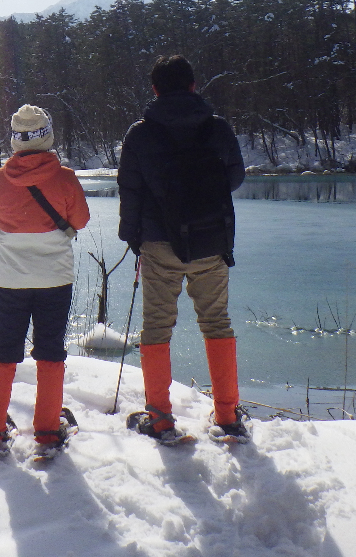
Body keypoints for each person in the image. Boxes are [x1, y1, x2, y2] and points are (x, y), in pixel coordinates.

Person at [117, 55, 249, 444]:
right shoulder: (217, 128)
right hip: (211, 238)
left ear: (155, 90)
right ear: (193, 86)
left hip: (159, 243)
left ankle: (159, 418)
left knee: (157, 327)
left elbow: (130, 189)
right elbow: (235, 176)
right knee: (216, 322)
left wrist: (132, 237)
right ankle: (226, 416)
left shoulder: (140, 134)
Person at [0, 104, 90, 458]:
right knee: (51, 350)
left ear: (16, 142)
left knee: (4, 350)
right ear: (47, 137)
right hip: (55, 279)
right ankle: (46, 430)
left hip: (10, 280)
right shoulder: (66, 179)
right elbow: (81, 220)